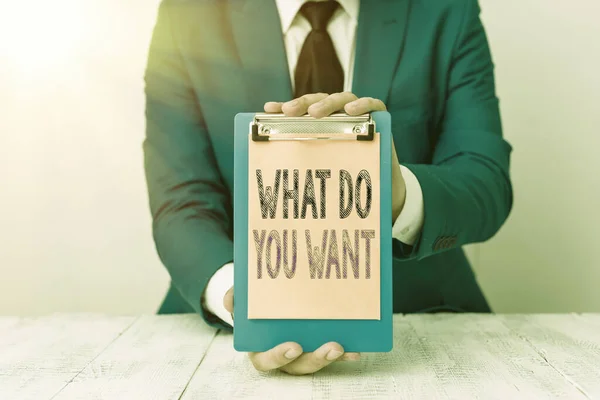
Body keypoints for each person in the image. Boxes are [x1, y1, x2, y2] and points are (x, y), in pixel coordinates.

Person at [143, 0, 512, 375]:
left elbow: (484, 179)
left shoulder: (445, 9)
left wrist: (399, 198)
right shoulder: (188, 13)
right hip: (218, 331)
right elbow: (181, 198)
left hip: (423, 321)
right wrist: (244, 302)